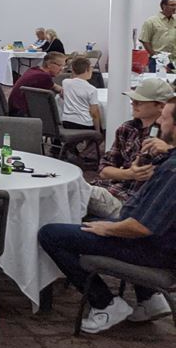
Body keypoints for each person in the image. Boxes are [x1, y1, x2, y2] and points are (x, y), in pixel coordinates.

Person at [39, 95, 176, 334]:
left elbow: (143, 227)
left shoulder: (172, 171)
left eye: (164, 118)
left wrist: (109, 229)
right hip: (147, 237)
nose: (159, 123)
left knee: (51, 234)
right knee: (88, 223)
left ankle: (105, 303)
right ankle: (149, 300)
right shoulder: (166, 157)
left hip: (148, 246)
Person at [95, 78, 175, 203]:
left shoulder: (169, 136)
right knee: (76, 191)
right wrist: (129, 174)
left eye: (139, 102)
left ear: (161, 106)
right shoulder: (127, 128)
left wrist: (170, 151)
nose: (133, 104)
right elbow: (103, 169)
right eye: (133, 101)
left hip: (135, 201)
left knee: (76, 192)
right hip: (111, 190)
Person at [8, 51, 65, 116]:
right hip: (22, 113)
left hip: (15, 109)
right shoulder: (44, 77)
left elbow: (54, 86)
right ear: (49, 64)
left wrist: (61, 89)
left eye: (63, 66)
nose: (62, 69)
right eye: (60, 65)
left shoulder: (34, 69)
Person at [61, 56, 101, 131]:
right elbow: (94, 113)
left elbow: (63, 95)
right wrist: (98, 130)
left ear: (72, 70)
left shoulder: (65, 82)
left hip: (67, 121)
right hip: (84, 123)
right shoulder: (92, 89)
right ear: (87, 70)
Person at [140, 0, 176, 72]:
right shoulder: (151, 21)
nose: (174, 7)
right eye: (172, 5)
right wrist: (157, 58)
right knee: (158, 79)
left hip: (173, 60)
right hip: (157, 61)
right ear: (164, 6)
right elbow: (145, 41)